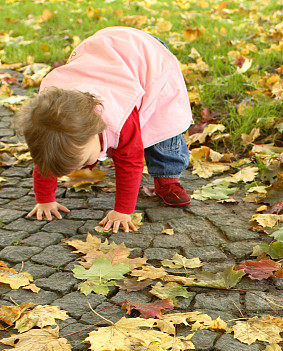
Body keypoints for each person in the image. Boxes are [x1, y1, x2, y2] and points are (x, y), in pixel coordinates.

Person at [13, 27, 193, 233]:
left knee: (161, 128)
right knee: (55, 149)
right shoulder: (49, 121)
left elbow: (130, 162)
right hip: (108, 55)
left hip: (148, 55)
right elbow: (45, 158)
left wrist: (123, 211)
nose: (79, 168)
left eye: (81, 161)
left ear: (94, 130)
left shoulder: (120, 119)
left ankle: (167, 177)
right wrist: (45, 200)